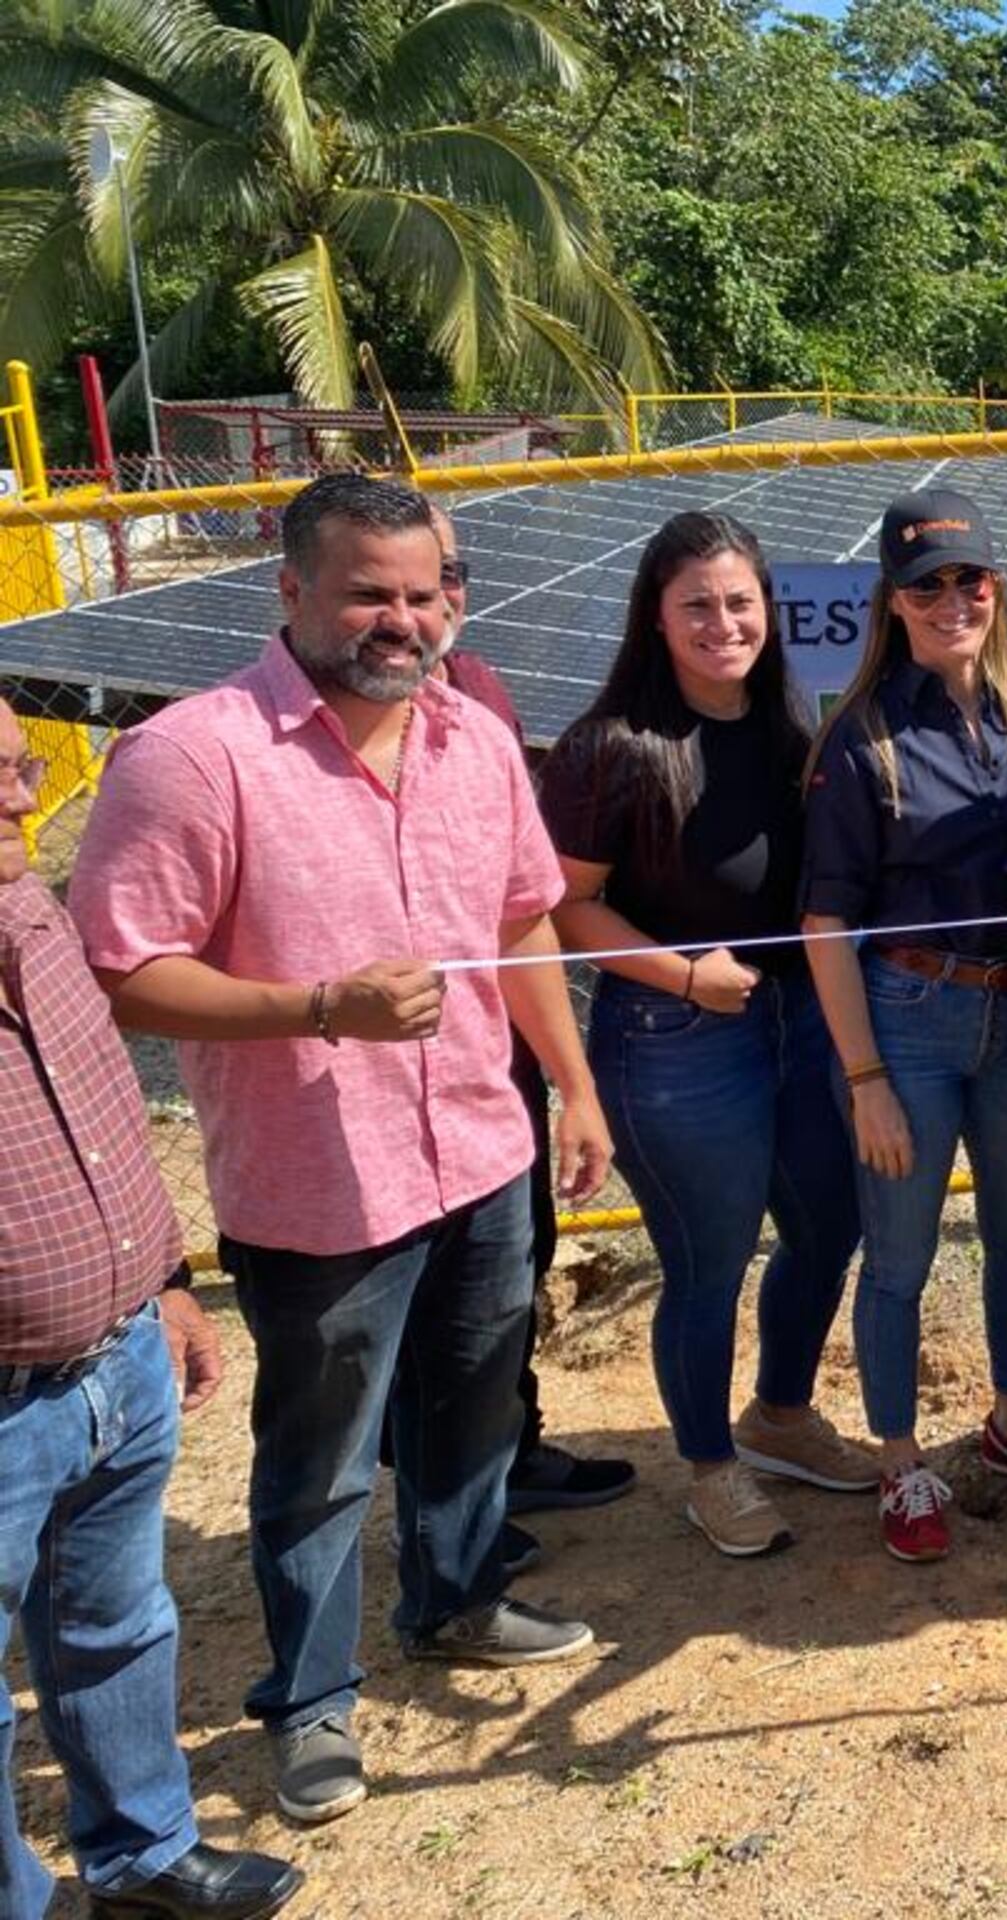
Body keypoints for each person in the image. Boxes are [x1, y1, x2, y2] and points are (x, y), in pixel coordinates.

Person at [67, 473, 611, 1829]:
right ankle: (311, 1707)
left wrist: (575, 1087)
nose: (403, 619)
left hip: (481, 1147)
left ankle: (459, 1598)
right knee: (317, 1463)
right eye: (370, 591)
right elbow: (122, 975)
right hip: (317, 1185)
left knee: (476, 1404)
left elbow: (525, 923)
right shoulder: (195, 757)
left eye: (428, 593)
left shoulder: (474, 742)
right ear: (293, 590)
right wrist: (320, 1009)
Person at [2, 698, 303, 1920]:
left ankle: (142, 1856)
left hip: (115, 1357)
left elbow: (108, 1113)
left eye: (18, 765)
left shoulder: (33, 911)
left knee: (117, 1622)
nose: (26, 798)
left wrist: (166, 1284)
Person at [537, 511, 869, 1560]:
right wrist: (685, 973)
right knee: (709, 1264)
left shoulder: (790, 723)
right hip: (675, 1037)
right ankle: (711, 1472)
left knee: (828, 1230)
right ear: (656, 618)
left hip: (798, 1024)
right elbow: (566, 909)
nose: (723, 624)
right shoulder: (609, 748)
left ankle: (777, 1418)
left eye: (740, 602)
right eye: (698, 606)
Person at [802, 490, 1007, 1564]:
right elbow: (824, 923)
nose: (950, 599)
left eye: (969, 579)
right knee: (901, 1257)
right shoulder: (858, 737)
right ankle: (903, 1460)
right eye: (926, 584)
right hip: (905, 1019)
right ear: (893, 602)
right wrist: (862, 1074)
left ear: (996, 590)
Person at [418, 508, 636, 1572]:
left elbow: (521, 906)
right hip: (395, 1069)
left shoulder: (483, 696)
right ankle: (443, 1526)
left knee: (509, 1275)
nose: (428, 602)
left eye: (445, 575)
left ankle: (512, 1455)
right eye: (397, 582)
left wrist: (566, 1077)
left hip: (499, 1056)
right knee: (421, 1318)